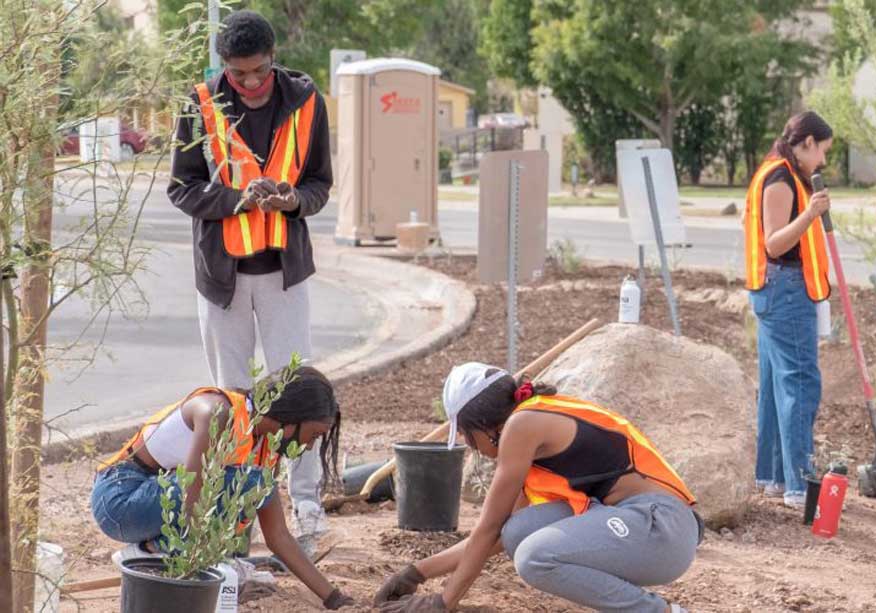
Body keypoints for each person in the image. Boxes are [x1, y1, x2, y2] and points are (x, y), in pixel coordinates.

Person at [167, 9, 332, 552]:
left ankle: (306, 503)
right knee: (232, 400)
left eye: (260, 72)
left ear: (273, 57)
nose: (253, 84)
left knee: (300, 392)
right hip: (223, 278)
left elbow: (319, 185)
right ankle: (233, 509)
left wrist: (292, 201)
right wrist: (236, 200)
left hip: (284, 274)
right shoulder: (200, 103)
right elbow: (182, 189)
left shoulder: (307, 100)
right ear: (225, 68)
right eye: (240, 75)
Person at [373, 363, 701, 612]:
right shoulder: (529, 428)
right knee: (519, 532)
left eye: (464, 434)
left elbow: (485, 530)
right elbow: (498, 535)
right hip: (638, 525)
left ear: (482, 426)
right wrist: (415, 573)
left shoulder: (522, 426)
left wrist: (442, 602)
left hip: (660, 528)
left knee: (535, 558)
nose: (466, 443)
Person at [90, 367, 353, 609]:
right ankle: (149, 552)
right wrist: (210, 573)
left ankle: (164, 551)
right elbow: (193, 497)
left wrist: (334, 598)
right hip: (120, 499)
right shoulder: (217, 411)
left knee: (255, 485)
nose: (307, 447)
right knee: (252, 482)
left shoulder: (264, 446)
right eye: (315, 435)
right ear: (294, 416)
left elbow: (279, 537)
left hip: (158, 504)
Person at [742, 111, 835, 508]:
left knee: (775, 386)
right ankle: (800, 485)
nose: (824, 162)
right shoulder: (779, 179)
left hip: (777, 289)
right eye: (823, 152)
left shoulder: (782, 172)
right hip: (784, 289)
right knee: (799, 383)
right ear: (807, 142)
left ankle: (774, 478)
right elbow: (774, 243)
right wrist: (811, 214)